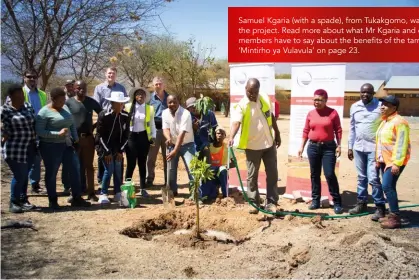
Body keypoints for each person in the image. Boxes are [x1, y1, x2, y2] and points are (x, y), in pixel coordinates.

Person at [229, 78, 281, 214]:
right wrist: (231, 137)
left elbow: (271, 116)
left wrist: (278, 132)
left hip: (269, 143)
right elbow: (236, 123)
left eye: (255, 92)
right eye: (249, 91)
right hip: (252, 146)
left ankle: (271, 202)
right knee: (252, 176)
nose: (252, 94)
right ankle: (253, 202)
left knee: (273, 174)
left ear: (259, 90)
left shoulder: (264, 97)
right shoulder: (241, 105)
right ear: (245, 89)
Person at [35, 88, 91, 209]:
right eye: (60, 101)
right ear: (53, 99)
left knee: (75, 169)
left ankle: (76, 197)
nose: (62, 103)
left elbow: (71, 125)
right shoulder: (44, 112)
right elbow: (39, 131)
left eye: (63, 100)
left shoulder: (65, 108)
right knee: (52, 173)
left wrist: (76, 140)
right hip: (50, 147)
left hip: (67, 145)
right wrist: (56, 134)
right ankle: (53, 200)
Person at [298, 89, 343, 214]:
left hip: (328, 148)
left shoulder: (333, 113)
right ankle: (315, 201)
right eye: (315, 99)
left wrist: (339, 145)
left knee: (329, 174)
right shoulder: (311, 113)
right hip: (312, 147)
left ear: (325, 100)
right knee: (314, 174)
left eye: (319, 100)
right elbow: (306, 130)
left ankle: (337, 202)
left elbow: (338, 130)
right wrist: (301, 146)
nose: (316, 102)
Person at [347, 83, 385, 219]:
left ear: (373, 93)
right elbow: (352, 128)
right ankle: (361, 204)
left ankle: (380, 207)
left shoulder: (381, 107)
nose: (365, 94)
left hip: (374, 149)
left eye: (368, 92)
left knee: (374, 178)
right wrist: (350, 147)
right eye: (362, 92)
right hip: (358, 148)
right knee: (361, 177)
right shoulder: (354, 107)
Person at [5, 69, 46, 194]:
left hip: (37, 131)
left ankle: (34, 185)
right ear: (24, 78)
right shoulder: (18, 93)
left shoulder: (43, 94)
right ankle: (19, 194)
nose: (32, 79)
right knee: (22, 166)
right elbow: (8, 114)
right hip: (20, 135)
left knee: (36, 160)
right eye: (29, 77)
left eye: (34, 77)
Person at [375, 95, 411, 229]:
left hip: (395, 161)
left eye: (386, 105)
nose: (382, 107)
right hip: (384, 160)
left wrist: (397, 163)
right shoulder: (385, 121)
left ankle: (395, 218)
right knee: (389, 187)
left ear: (394, 107)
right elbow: (380, 142)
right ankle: (391, 215)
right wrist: (378, 159)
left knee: (387, 186)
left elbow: (401, 144)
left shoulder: (400, 122)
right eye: (381, 104)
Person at [1, 84, 37, 213]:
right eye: (18, 96)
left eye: (22, 95)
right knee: (19, 175)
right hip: (15, 149)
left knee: (24, 175)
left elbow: (34, 123)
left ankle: (22, 199)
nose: (21, 98)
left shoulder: (27, 106)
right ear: (10, 97)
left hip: (30, 146)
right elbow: (3, 129)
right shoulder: (4, 110)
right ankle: (13, 202)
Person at [66, 80, 102, 201]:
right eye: (79, 88)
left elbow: (102, 113)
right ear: (74, 89)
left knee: (89, 166)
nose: (81, 90)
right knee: (74, 167)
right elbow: (63, 117)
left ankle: (91, 193)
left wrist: (95, 126)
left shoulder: (91, 102)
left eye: (84, 88)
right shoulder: (69, 103)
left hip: (88, 139)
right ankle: (75, 193)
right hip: (74, 140)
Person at [93, 67, 127, 184]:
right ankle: (101, 180)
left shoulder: (121, 88)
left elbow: (124, 105)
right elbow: (97, 105)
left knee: (117, 151)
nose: (111, 75)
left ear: (116, 75)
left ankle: (118, 183)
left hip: (117, 121)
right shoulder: (99, 88)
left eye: (113, 73)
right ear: (105, 74)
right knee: (104, 150)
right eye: (109, 73)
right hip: (105, 121)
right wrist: (105, 117)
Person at [95, 91, 130, 204]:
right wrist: (106, 152)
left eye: (122, 103)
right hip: (105, 148)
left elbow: (126, 135)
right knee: (108, 170)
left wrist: (121, 150)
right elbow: (99, 135)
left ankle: (117, 193)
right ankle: (103, 193)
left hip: (118, 148)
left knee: (118, 170)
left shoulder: (125, 116)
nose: (121, 106)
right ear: (112, 103)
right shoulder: (104, 115)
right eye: (119, 103)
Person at [124, 87, 156, 197]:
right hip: (131, 137)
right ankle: (127, 188)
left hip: (144, 138)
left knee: (142, 164)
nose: (140, 96)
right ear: (134, 96)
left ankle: (143, 188)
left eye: (142, 94)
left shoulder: (149, 108)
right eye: (138, 94)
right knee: (131, 164)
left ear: (145, 97)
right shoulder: (128, 107)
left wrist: (153, 136)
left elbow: (152, 124)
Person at [162, 94, 195, 196]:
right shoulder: (165, 113)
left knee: (192, 169)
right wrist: (168, 138)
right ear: (167, 103)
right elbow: (165, 129)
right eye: (170, 102)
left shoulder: (186, 114)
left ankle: (195, 194)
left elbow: (182, 134)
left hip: (187, 145)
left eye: (174, 102)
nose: (172, 104)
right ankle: (172, 193)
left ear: (178, 102)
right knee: (171, 170)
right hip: (172, 144)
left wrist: (175, 150)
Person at [147, 76, 169, 187]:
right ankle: (149, 179)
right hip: (154, 130)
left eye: (160, 83)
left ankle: (168, 180)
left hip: (167, 131)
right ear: (153, 85)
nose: (158, 86)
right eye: (156, 84)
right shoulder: (149, 99)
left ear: (164, 85)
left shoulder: (170, 98)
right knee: (151, 157)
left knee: (167, 156)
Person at [199, 126, 229, 200]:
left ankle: (225, 195)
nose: (220, 135)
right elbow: (199, 159)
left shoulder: (226, 148)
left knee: (223, 170)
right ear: (214, 135)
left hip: (219, 173)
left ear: (225, 136)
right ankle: (211, 191)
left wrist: (225, 166)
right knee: (208, 196)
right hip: (209, 174)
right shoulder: (208, 146)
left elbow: (233, 164)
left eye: (222, 134)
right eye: (218, 133)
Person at [185, 97, 218, 162]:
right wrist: (192, 127)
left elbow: (215, 128)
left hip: (207, 144)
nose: (194, 108)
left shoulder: (209, 114)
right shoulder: (187, 117)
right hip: (193, 146)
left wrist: (215, 142)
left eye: (196, 105)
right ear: (188, 109)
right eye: (191, 107)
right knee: (195, 167)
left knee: (207, 165)